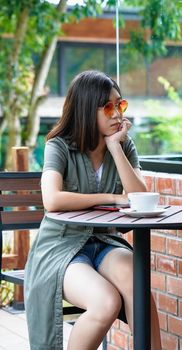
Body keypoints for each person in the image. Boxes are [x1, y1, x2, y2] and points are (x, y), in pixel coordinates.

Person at [24, 70, 162, 350]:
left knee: (138, 288)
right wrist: (110, 198)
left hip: (105, 241)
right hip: (61, 246)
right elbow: (52, 199)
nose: (116, 114)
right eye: (108, 107)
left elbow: (137, 197)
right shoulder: (58, 145)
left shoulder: (124, 145)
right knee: (106, 301)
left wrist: (115, 148)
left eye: (120, 105)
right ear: (87, 109)